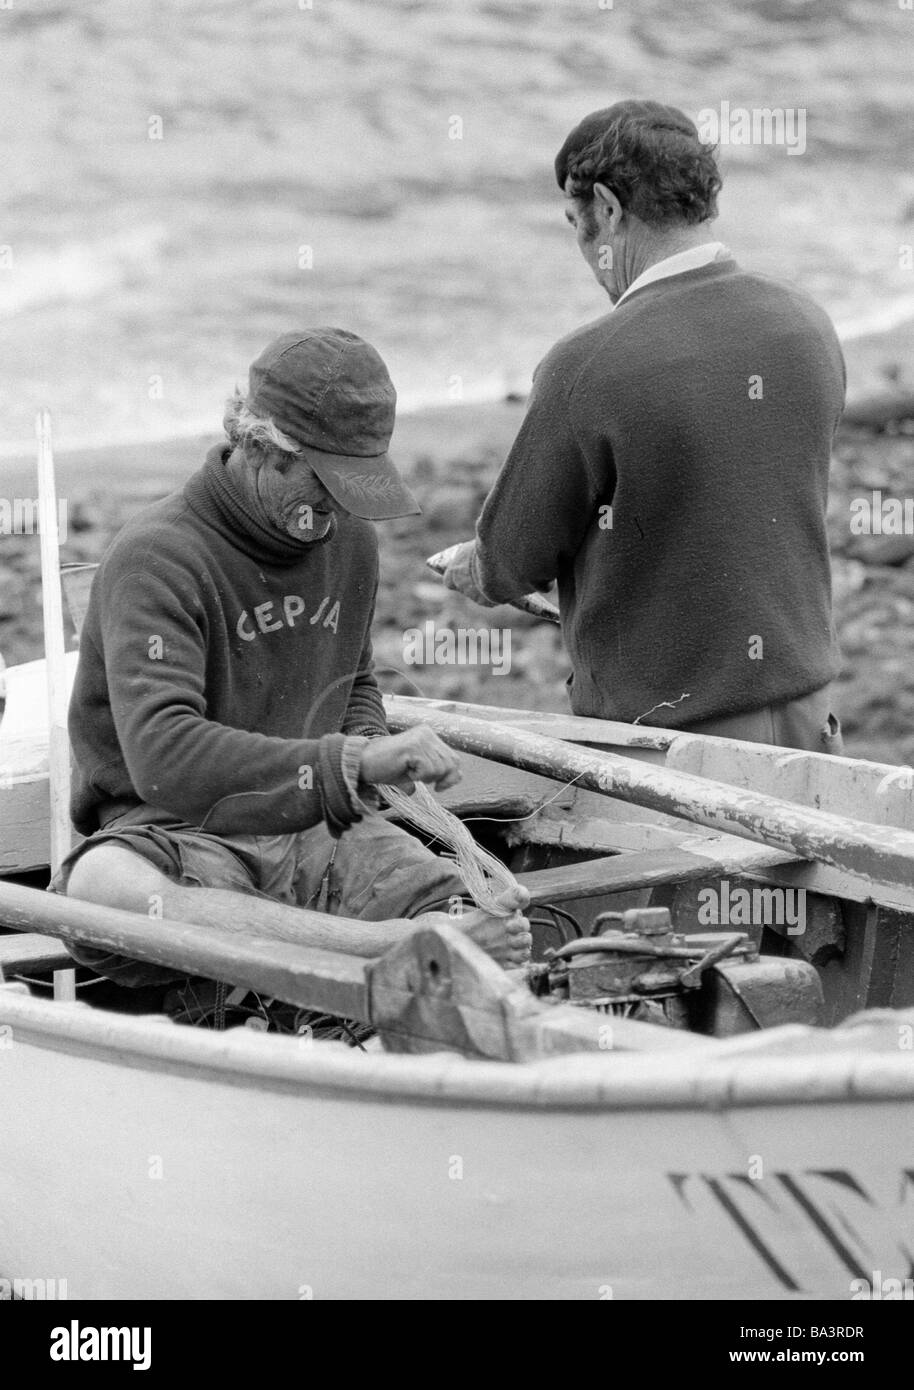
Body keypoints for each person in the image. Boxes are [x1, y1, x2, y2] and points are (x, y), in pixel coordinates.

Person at [54, 328, 530, 1000]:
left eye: (356, 487)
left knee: (472, 912)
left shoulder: (350, 542)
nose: (336, 509)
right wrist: (350, 765)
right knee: (99, 890)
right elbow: (164, 759)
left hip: (313, 829)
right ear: (257, 442)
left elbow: (353, 680)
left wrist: (367, 749)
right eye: (324, 482)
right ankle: (374, 949)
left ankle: (394, 960)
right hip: (181, 836)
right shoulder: (158, 558)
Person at [443, 100, 846, 755]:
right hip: (810, 721)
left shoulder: (589, 367)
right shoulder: (808, 325)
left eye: (578, 227)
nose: (586, 254)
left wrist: (473, 568)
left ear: (607, 207)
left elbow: (512, 561)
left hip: (670, 743)